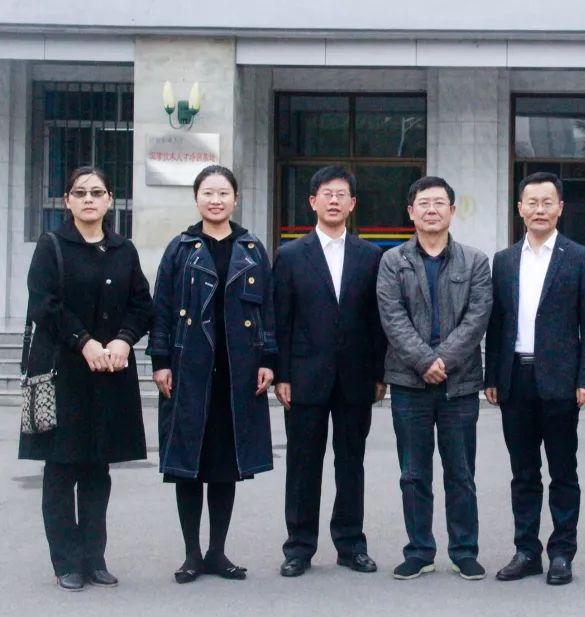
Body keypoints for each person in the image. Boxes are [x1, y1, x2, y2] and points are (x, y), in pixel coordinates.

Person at [20, 166, 153, 591]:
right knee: (62, 469)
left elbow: (142, 304)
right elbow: (45, 304)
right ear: (67, 201)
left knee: (98, 469)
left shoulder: (123, 249)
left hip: (109, 374)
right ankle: (67, 562)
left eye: (97, 192)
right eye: (80, 193)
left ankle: (94, 558)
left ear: (110, 199)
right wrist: (85, 342)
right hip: (63, 372)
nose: (89, 199)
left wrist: (124, 340)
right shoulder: (53, 246)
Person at [148, 165, 277, 584]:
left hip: (236, 373)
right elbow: (162, 308)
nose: (216, 200)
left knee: (225, 465)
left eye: (223, 193)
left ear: (236, 198)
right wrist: (160, 361)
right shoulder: (181, 248)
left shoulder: (251, 248)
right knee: (188, 463)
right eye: (208, 192)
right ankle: (191, 554)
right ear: (197, 198)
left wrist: (269, 359)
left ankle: (217, 552)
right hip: (189, 370)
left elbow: (268, 310)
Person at [484, 172, 585, 586]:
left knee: (563, 471)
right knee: (523, 472)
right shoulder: (503, 260)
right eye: (531, 202)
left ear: (560, 208)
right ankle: (526, 551)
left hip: (561, 380)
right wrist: (492, 374)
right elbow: (497, 323)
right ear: (519, 208)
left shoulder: (580, 257)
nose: (539, 209)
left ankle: (562, 552)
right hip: (515, 376)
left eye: (547, 202)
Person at [376, 176, 492, 581]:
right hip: (409, 383)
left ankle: (464, 550)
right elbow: (392, 317)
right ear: (411, 212)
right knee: (413, 473)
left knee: (461, 473)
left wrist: (443, 360)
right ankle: (419, 550)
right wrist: (425, 361)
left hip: (459, 385)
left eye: (439, 203)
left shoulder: (475, 261)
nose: (431, 210)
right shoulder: (393, 261)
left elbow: (478, 317)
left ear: (452, 211)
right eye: (423, 203)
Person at [275, 165, 387, 578]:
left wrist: (379, 373)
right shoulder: (289, 255)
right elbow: (280, 320)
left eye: (342, 194)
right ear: (313, 202)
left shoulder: (371, 256)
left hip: (356, 378)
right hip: (305, 377)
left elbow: (378, 322)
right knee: (303, 465)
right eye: (327, 193)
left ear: (353, 203)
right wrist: (282, 374)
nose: (334, 200)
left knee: (351, 464)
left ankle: (351, 544)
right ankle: (299, 547)